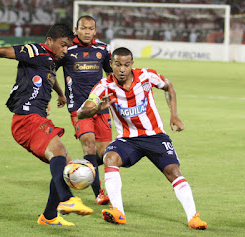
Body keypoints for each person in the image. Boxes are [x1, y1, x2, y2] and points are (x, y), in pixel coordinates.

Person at [0, 23, 93, 226]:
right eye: (63, 45)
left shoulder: (51, 59)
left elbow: (50, 76)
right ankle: (67, 200)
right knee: (58, 152)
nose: (65, 50)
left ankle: (48, 217)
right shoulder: (34, 50)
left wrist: (59, 93)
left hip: (36, 118)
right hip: (26, 119)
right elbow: (3, 52)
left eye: (68, 46)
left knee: (64, 164)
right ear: (50, 41)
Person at [77, 47, 207, 230]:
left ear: (132, 64)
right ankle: (118, 212)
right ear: (111, 64)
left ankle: (193, 217)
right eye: (118, 64)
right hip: (128, 140)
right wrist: (97, 109)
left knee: (173, 171)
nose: (122, 69)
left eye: (126, 64)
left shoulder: (147, 76)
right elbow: (82, 112)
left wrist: (174, 115)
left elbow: (168, 86)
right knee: (109, 157)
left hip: (154, 136)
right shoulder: (104, 86)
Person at [57, 15, 113, 205]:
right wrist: (57, 94)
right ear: (76, 29)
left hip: (101, 107)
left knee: (105, 153)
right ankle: (99, 193)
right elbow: (49, 71)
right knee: (89, 143)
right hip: (78, 108)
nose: (87, 32)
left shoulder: (103, 49)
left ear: (95, 31)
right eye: (83, 28)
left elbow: (111, 74)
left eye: (90, 28)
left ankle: (77, 168)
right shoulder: (67, 49)